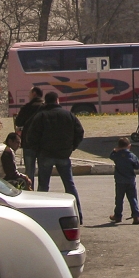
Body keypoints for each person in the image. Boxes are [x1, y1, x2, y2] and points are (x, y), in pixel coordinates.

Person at [27, 91, 85, 222]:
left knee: (43, 186)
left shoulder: (41, 116)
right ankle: (78, 215)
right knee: (69, 186)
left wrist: (38, 149)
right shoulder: (68, 115)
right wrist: (72, 147)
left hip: (45, 155)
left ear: (46, 102)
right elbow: (80, 132)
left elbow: (31, 136)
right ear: (57, 100)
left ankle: (40, 217)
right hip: (64, 154)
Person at [14, 86, 44, 184]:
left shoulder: (27, 108)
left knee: (29, 171)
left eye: (29, 93)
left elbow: (18, 122)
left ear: (34, 93)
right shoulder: (45, 107)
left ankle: (29, 189)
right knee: (43, 170)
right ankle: (42, 190)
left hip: (28, 142)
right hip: (43, 143)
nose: (28, 95)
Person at [109, 137, 139, 224]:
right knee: (133, 198)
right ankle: (136, 215)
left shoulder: (117, 155)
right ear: (129, 146)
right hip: (130, 180)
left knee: (119, 199)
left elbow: (111, 156)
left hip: (120, 180)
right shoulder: (132, 156)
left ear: (118, 146)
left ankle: (118, 215)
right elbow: (137, 166)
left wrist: (115, 150)